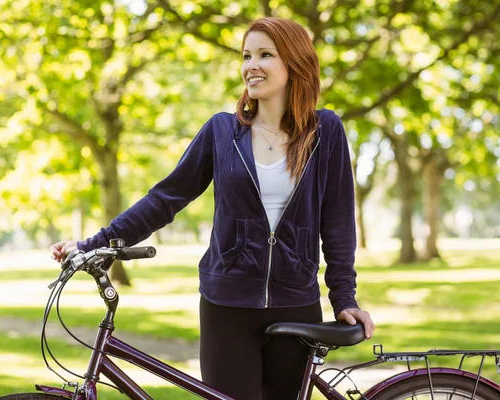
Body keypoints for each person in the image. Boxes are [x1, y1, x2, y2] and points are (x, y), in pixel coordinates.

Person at [51, 16, 375, 400]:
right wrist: (95, 243)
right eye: (246, 55)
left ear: (294, 63)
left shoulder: (325, 132)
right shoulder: (222, 132)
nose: (251, 65)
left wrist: (344, 297)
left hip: (296, 304)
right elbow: (165, 199)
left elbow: (337, 223)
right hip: (227, 307)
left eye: (265, 55)